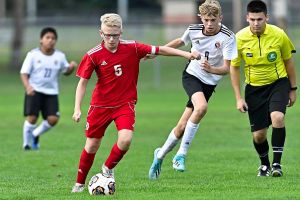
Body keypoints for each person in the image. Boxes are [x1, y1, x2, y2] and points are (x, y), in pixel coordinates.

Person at [71, 13, 200, 193]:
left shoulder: (133, 47)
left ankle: (107, 168)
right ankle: (79, 184)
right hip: (100, 107)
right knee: (92, 145)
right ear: (101, 33)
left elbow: (161, 50)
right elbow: (82, 82)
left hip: (125, 104)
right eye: (107, 35)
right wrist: (77, 108)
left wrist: (186, 54)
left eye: (115, 35)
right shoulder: (93, 55)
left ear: (121, 32)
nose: (111, 39)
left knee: (125, 140)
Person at [148, 0, 237, 180]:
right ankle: (181, 154)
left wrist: (212, 69)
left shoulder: (228, 36)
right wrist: (156, 51)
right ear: (200, 18)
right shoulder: (194, 29)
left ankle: (159, 155)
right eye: (206, 20)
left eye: (213, 20)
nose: (210, 24)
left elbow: (227, 69)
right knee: (201, 108)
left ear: (220, 17)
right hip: (192, 75)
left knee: (181, 127)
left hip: (210, 83)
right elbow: (180, 41)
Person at [230, 0, 297, 177]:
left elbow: (288, 61)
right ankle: (265, 165)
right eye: (252, 19)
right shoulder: (239, 38)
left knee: (277, 117)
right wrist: (238, 97)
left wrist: (293, 88)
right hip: (254, 89)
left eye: (260, 19)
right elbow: (234, 67)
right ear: (247, 18)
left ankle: (277, 164)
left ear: (267, 17)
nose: (256, 23)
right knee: (259, 136)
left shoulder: (279, 34)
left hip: (278, 83)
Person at [20, 27, 77, 150]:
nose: (50, 40)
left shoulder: (60, 56)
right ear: (41, 40)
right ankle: (26, 144)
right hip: (34, 90)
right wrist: (28, 87)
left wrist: (71, 67)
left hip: (51, 92)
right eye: (47, 37)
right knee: (32, 118)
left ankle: (35, 134)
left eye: (53, 38)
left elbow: (66, 71)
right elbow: (24, 73)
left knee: (53, 119)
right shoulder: (33, 55)